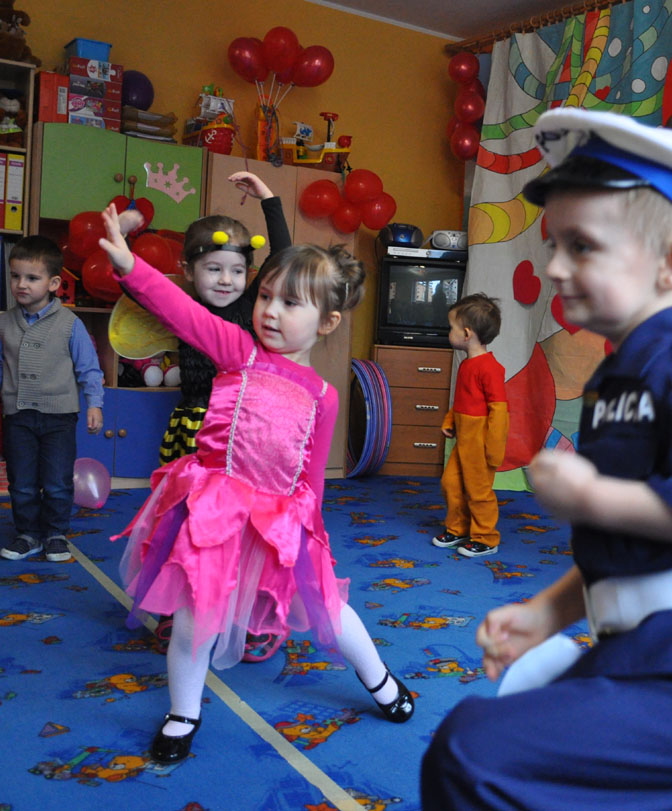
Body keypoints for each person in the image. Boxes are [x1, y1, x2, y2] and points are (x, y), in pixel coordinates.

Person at [100, 203, 415, 765]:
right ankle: (183, 712)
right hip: (217, 516)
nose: (269, 311)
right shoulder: (238, 352)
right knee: (194, 617)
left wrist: (314, 536)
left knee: (329, 607)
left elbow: (310, 476)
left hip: (280, 523)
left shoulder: (324, 396)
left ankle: (382, 682)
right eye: (266, 296)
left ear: (326, 322)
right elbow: (180, 311)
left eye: (290, 303)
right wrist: (130, 267)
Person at [421, 108, 672, 809]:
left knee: (473, 751)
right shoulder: (620, 371)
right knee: (522, 707)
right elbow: (635, 549)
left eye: (582, 246)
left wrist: (591, 497)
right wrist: (546, 613)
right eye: (555, 244)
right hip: (636, 646)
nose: (555, 267)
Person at [132, 170, 291, 659]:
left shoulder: (251, 306)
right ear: (188, 270)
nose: (226, 280)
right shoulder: (180, 307)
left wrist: (268, 200)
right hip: (194, 437)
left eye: (237, 271)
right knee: (182, 524)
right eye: (214, 269)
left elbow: (284, 257)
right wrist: (123, 239)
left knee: (247, 529)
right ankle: (175, 609)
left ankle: (252, 615)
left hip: (245, 437)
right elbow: (137, 284)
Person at [0, 236, 104, 563]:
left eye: (32, 278)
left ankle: (56, 533)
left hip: (59, 417)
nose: (21, 284)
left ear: (53, 283)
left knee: (57, 481)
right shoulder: (3, 323)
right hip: (18, 416)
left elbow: (89, 368)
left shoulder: (70, 324)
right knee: (21, 481)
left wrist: (95, 403)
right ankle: (28, 534)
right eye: (15, 276)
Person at [431, 293, 508, 557]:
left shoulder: (490, 368)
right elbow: (462, 400)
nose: (448, 332)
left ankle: (486, 538)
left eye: (451, 327)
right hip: (463, 440)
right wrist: (450, 420)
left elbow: (500, 410)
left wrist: (494, 447)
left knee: (478, 491)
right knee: (451, 483)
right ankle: (459, 528)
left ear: (466, 334)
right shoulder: (467, 364)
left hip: (480, 443)